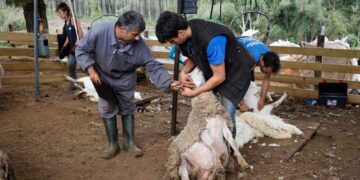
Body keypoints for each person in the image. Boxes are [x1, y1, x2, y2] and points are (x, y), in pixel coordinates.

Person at [75, 11, 181, 159]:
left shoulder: (139, 46)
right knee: (107, 107)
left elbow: (153, 65)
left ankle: (129, 143)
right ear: (122, 29)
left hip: (125, 80)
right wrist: (90, 69)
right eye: (135, 34)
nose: (138, 37)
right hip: (102, 78)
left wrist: (167, 83)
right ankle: (113, 144)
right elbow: (81, 49)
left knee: (127, 108)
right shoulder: (99, 32)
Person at [156, 11, 253, 134]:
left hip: (235, 72)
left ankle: (229, 148)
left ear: (180, 33)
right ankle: (211, 137)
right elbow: (194, 55)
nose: (172, 44)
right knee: (206, 106)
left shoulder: (212, 40)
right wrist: (184, 72)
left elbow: (219, 77)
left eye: (171, 40)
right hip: (215, 70)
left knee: (227, 111)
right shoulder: (186, 32)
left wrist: (194, 93)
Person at [236, 36, 281, 112]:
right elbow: (237, 79)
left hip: (249, 51)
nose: (266, 73)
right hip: (235, 48)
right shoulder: (250, 58)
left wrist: (262, 99)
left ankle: (247, 101)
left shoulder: (269, 57)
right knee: (241, 80)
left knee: (249, 82)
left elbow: (266, 79)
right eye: (266, 71)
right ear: (262, 62)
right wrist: (242, 103)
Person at [56, 2, 84, 90]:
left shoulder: (74, 21)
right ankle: (74, 85)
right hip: (72, 49)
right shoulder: (66, 23)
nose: (59, 15)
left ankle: (94, 82)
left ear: (66, 12)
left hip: (80, 48)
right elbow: (69, 37)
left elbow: (81, 33)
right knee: (71, 65)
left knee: (85, 67)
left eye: (60, 13)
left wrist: (77, 43)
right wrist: (64, 47)